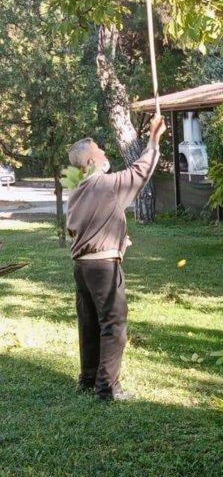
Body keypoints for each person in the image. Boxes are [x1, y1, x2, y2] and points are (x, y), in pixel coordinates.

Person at [66, 115, 166, 401]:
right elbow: (140, 171)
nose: (105, 153)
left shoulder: (77, 192)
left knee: (88, 323)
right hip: (102, 268)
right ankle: (108, 389)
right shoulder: (106, 186)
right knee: (113, 324)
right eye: (99, 151)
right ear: (89, 163)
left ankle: (87, 379)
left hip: (82, 268)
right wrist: (154, 139)